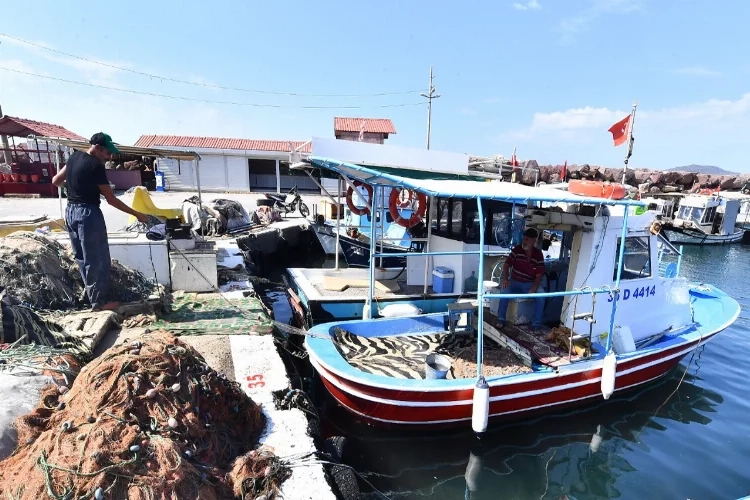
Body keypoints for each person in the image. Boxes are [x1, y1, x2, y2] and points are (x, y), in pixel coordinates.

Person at [52, 133, 148, 311]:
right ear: (96, 148)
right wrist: (137, 214)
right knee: (97, 259)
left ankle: (91, 297)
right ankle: (99, 303)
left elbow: (56, 181)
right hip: (88, 214)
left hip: (71, 211)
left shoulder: (73, 157)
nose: (109, 157)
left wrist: (74, 188)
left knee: (82, 258)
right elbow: (111, 199)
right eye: (107, 153)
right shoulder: (95, 166)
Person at [496, 227, 545, 332]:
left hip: (529, 283)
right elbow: (506, 265)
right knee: (504, 290)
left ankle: (536, 324)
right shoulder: (517, 250)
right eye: (524, 239)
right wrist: (505, 279)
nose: (524, 241)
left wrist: (533, 288)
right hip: (514, 281)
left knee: (541, 294)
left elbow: (539, 275)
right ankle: (501, 319)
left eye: (527, 239)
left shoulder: (538, 255)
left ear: (534, 241)